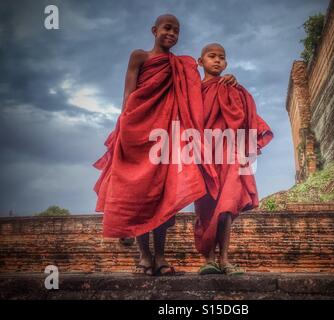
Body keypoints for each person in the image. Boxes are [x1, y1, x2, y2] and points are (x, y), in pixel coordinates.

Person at [93, 16, 236, 276]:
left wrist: (229, 78)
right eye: (167, 28)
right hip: (136, 131)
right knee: (136, 195)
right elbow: (128, 93)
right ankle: (144, 257)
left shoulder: (179, 65)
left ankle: (160, 257)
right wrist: (123, 127)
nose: (172, 34)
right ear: (154, 30)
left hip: (165, 137)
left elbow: (206, 74)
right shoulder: (140, 56)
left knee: (161, 196)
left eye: (176, 31)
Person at [194, 43, 273, 275]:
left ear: (226, 63)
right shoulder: (194, 90)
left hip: (229, 153)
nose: (217, 60)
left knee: (227, 205)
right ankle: (209, 259)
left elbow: (244, 115)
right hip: (204, 154)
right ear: (200, 62)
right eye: (211, 56)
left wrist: (236, 88)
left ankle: (225, 259)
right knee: (206, 206)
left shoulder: (232, 87)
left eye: (221, 57)